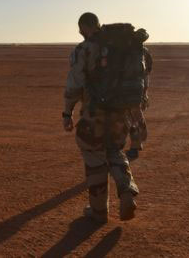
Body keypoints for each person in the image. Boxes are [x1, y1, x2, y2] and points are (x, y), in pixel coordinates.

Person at [62, 12, 146, 223]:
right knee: (114, 150)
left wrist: (67, 112)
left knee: (94, 156)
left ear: (82, 27)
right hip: (121, 113)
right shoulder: (128, 48)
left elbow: (74, 85)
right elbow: (142, 78)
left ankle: (99, 211)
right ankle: (126, 190)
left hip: (94, 114)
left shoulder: (85, 49)